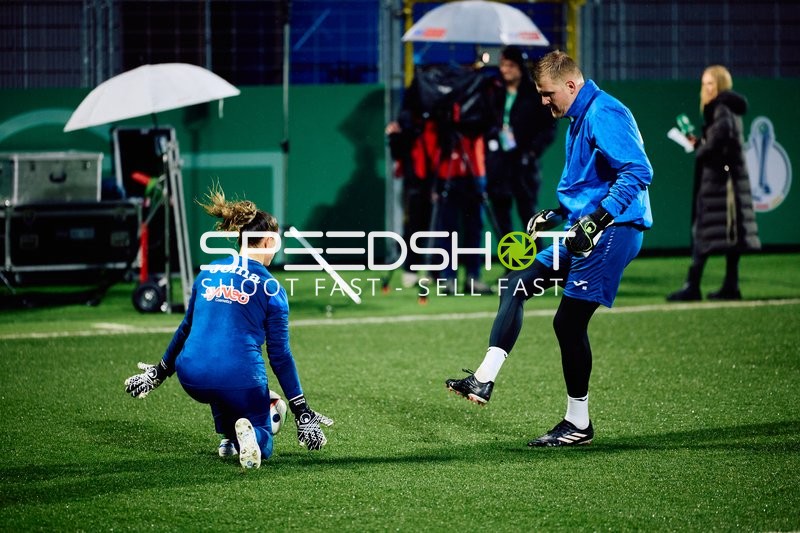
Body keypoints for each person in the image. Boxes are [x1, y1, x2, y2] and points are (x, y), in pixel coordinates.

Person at [445, 51, 653, 447]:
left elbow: (639, 171)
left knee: (568, 323)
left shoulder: (604, 113)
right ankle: (483, 379)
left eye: (547, 93)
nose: (544, 101)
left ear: (571, 85)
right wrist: (559, 213)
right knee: (516, 283)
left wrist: (598, 220)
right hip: (585, 228)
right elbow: (592, 182)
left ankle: (578, 424)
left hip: (613, 230)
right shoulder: (580, 114)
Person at [124, 187, 333, 469]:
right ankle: (252, 437)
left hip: (192, 376)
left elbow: (186, 329)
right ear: (268, 241)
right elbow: (280, 356)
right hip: (237, 377)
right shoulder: (272, 288)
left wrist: (159, 372)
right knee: (266, 424)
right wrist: (301, 410)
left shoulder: (208, 271)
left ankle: (228, 439)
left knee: (219, 367)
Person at [667, 65, 760, 301]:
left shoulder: (722, 107)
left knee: (705, 233)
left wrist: (700, 147)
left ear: (721, 86)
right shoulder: (725, 108)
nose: (707, 89)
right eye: (705, 84)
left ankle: (693, 285)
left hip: (722, 183)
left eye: (711, 84)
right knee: (729, 235)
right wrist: (702, 143)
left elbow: (721, 138)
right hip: (726, 181)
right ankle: (730, 285)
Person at [485, 46, 556, 239]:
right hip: (499, 163)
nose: (504, 69)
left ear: (519, 67)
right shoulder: (494, 92)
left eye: (509, 65)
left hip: (523, 164)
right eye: (502, 65)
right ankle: (511, 266)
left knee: (529, 216)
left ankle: (534, 265)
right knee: (500, 216)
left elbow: (549, 128)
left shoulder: (534, 94)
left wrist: (532, 152)